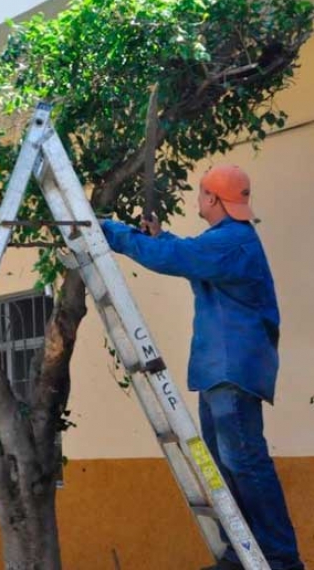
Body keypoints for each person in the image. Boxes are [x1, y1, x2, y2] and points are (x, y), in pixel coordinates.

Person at [100, 164, 303, 570]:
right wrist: (160, 237)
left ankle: (280, 559)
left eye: (201, 193)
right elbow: (187, 254)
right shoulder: (226, 242)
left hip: (233, 369)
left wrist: (108, 230)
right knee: (225, 466)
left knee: (244, 461)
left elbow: (177, 257)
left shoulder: (232, 242)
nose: (198, 200)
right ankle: (241, 551)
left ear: (211, 199)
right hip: (221, 370)